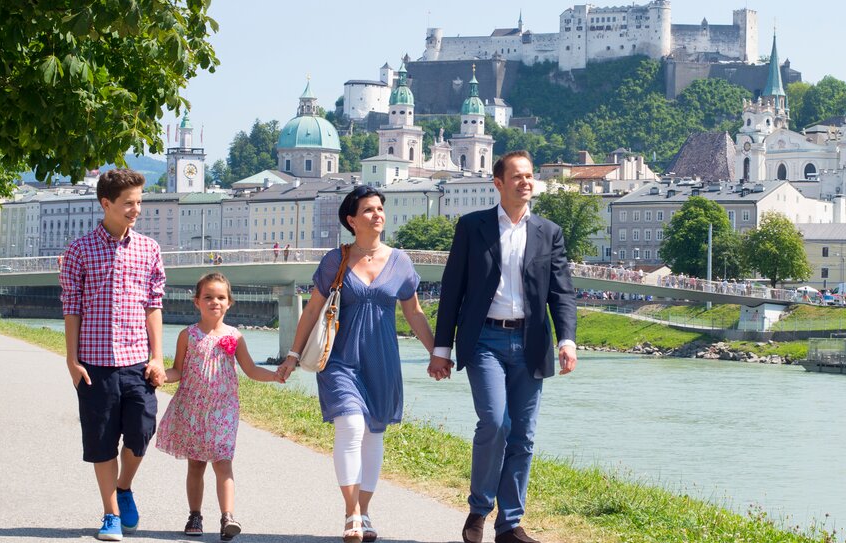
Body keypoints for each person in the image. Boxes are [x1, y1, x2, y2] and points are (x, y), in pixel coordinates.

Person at [430, 151, 577, 543]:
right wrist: (441, 348)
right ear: (498, 183)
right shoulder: (472, 227)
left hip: (532, 341)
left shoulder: (549, 232)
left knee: (523, 435)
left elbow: (562, 292)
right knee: (496, 423)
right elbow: (452, 290)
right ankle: (479, 510)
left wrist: (567, 339)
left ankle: (509, 524)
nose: (525, 182)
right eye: (517, 176)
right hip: (485, 340)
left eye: (529, 176)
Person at [276, 185, 437, 543]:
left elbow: (414, 313)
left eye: (380, 208)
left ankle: (365, 511)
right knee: (350, 426)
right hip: (340, 359)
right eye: (368, 210)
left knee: (374, 433)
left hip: (382, 359)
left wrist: (436, 352)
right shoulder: (337, 260)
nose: (377, 214)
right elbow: (313, 309)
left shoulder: (401, 261)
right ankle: (350, 513)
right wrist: (292, 354)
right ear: (352, 219)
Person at [59, 169, 167, 542]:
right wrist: (72, 361)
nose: (136, 209)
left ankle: (124, 486)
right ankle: (111, 515)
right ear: (106, 204)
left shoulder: (149, 249)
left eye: (139, 202)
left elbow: (154, 305)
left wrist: (157, 356)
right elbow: (71, 307)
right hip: (94, 363)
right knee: (102, 440)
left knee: (140, 432)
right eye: (128, 203)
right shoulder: (78, 250)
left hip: (138, 360)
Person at [156, 273, 282, 541]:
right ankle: (195, 515)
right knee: (196, 465)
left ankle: (228, 518)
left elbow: (250, 370)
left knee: (223, 463)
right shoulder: (187, 335)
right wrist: (159, 376)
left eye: (221, 297)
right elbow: (178, 370)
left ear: (229, 303)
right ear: (197, 302)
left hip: (223, 410)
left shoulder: (234, 337)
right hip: (192, 408)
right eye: (208, 297)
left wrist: (273, 375)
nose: (215, 301)